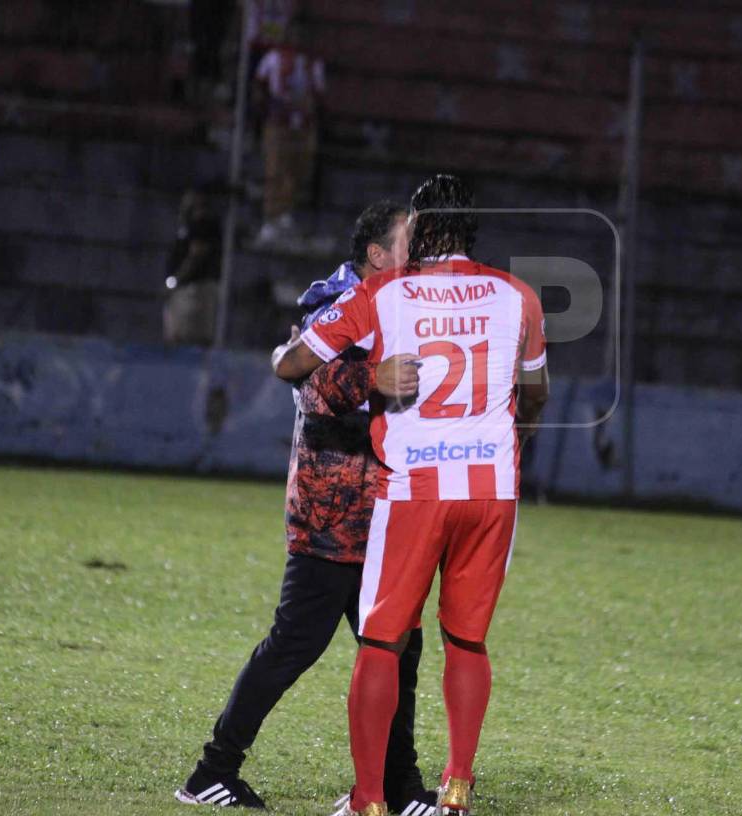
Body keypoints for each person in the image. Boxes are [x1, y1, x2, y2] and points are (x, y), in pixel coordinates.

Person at [272, 175, 551, 816]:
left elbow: (292, 364)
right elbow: (534, 395)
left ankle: (369, 800)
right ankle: (455, 790)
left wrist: (358, 372)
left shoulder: (383, 292)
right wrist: (513, 446)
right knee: (469, 640)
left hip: (416, 489)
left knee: (380, 641)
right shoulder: (519, 296)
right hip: (493, 492)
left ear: (421, 224)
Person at [175, 202, 437, 815]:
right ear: (377, 255)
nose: (418, 254)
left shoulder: (399, 303)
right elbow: (310, 385)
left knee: (399, 651)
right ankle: (210, 773)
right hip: (333, 513)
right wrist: (375, 379)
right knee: (295, 645)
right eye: (407, 242)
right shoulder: (340, 302)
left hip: (382, 510)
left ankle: (399, 789)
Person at [251, 20, 324, 246]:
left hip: (302, 125)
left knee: (297, 172)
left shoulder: (313, 63)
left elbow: (317, 96)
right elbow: (259, 88)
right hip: (278, 123)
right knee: (275, 170)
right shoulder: (272, 58)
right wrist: (268, 112)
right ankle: (271, 219)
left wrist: (304, 111)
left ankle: (287, 217)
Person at [163, 189, 223, 346]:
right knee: (175, 337)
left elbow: (197, 253)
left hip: (194, 290)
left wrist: (178, 278)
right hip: (184, 289)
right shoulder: (187, 226)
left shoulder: (203, 225)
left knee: (190, 339)